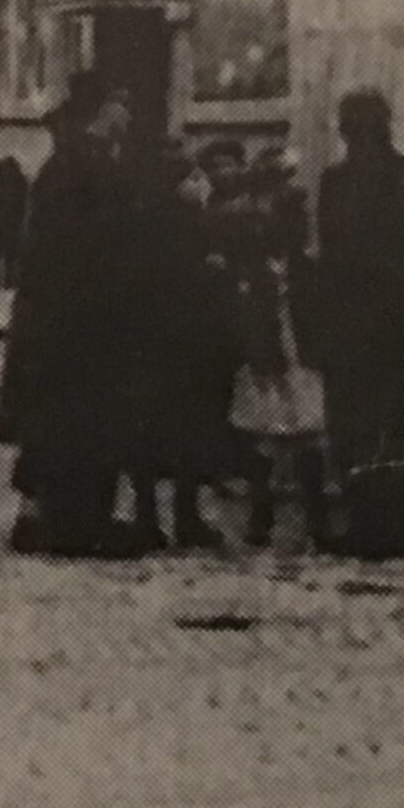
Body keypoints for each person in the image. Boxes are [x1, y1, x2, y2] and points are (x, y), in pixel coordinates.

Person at [0, 74, 145, 558]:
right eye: (121, 105)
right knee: (79, 421)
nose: (129, 116)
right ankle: (74, 525)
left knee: (65, 421)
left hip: (70, 317)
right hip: (78, 320)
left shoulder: (74, 162)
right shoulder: (82, 166)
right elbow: (86, 245)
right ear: (100, 112)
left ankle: (53, 519)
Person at [317, 90, 404, 561]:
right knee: (385, 421)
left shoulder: (339, 183)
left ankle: (368, 525)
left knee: (356, 421)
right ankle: (385, 527)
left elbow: (332, 257)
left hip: (358, 320)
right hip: (387, 320)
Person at [118, 139, 236, 551]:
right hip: (187, 342)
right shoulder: (192, 222)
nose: (197, 182)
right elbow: (200, 276)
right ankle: (186, 518)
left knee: (146, 430)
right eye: (190, 175)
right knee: (190, 430)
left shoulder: (137, 220)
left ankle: (147, 517)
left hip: (148, 342)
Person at [224, 153, 331, 551]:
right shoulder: (252, 271)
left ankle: (315, 514)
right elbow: (246, 318)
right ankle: (262, 512)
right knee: (266, 432)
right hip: (267, 355)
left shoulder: (305, 270)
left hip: (300, 354)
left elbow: (316, 312)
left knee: (307, 429)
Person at [0, 156, 30, 292]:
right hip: (10, 224)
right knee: (8, 255)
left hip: (2, 224)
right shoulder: (21, 182)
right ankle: (7, 281)